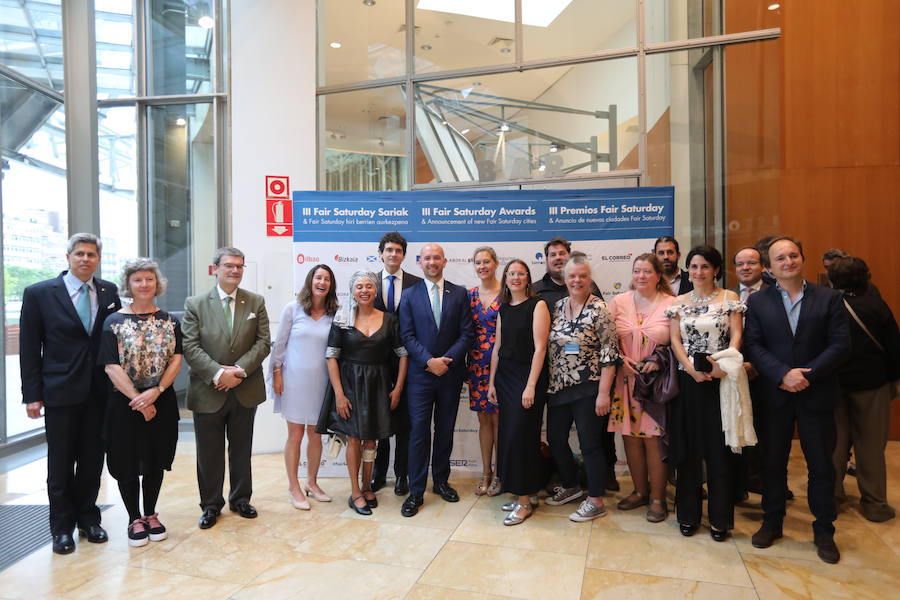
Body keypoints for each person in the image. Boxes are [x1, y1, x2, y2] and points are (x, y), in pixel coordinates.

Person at [744, 236, 849, 564]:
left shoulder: (829, 298)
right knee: (773, 462)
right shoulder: (758, 302)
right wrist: (782, 374)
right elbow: (754, 346)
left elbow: (841, 344)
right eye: (780, 258)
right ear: (770, 267)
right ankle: (772, 522)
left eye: (793, 255)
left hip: (815, 393)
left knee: (821, 465)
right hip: (775, 395)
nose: (787, 261)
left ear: (802, 259)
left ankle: (824, 530)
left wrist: (807, 374)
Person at [19, 233, 122, 554]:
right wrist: (32, 394)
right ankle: (61, 528)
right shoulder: (39, 293)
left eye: (91, 254)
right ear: (67, 257)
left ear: (98, 259)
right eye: (79, 253)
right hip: (59, 391)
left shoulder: (108, 292)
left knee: (93, 460)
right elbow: (28, 346)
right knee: (61, 462)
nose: (85, 259)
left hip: (99, 392)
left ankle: (88, 519)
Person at [182, 247, 271, 530]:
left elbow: (263, 342)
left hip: (245, 390)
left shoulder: (255, 302)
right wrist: (219, 373)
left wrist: (239, 371)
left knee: (241, 449)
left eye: (240, 266)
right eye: (229, 266)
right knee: (209, 452)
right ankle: (210, 505)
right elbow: (189, 346)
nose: (235, 271)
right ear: (215, 269)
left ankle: (241, 499)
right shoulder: (195, 304)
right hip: (209, 390)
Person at [99, 259, 182, 546]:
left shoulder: (170, 320)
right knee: (127, 460)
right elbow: (111, 366)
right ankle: (134, 518)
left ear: (156, 283)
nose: (144, 284)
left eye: (149, 279)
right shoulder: (113, 322)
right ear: (129, 285)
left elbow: (177, 359)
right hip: (125, 403)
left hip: (161, 400)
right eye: (138, 280)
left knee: (155, 458)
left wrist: (156, 391)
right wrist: (139, 399)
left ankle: (150, 514)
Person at [666, 245, 745, 542]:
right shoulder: (679, 301)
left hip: (721, 380)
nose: (699, 272)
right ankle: (687, 514)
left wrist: (723, 365)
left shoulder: (730, 298)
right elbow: (675, 340)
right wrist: (690, 368)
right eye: (694, 267)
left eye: (705, 266)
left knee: (718, 452)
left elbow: (737, 335)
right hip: (689, 383)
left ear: (715, 269)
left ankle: (720, 519)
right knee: (688, 451)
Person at [317, 271, 408, 515]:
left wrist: (398, 388)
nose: (364, 290)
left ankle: (368, 487)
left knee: (372, 439)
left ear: (376, 291)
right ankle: (355, 492)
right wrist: (339, 394)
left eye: (369, 286)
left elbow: (402, 354)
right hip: (349, 386)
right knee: (354, 439)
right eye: (359, 286)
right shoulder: (342, 318)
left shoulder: (390, 320)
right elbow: (331, 357)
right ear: (353, 291)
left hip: (379, 385)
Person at [533, 239, 617, 492]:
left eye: (581, 276)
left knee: (590, 444)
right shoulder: (557, 307)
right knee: (556, 441)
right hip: (559, 388)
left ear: (589, 278)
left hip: (589, 388)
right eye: (572, 276)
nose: (576, 280)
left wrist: (604, 393)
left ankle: (595, 498)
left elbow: (610, 352)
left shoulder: (600, 308)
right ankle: (570, 486)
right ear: (566, 278)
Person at [398, 243, 474, 517]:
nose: (432, 262)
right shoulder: (409, 295)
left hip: (450, 375)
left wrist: (446, 361)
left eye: (436, 258)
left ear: (445, 261)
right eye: (427, 258)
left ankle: (441, 481)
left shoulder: (460, 293)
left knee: (445, 430)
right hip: (420, 376)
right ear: (419, 262)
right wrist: (429, 361)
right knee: (419, 433)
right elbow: (406, 335)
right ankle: (415, 490)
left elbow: (467, 334)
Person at [827, 256, 899, 522]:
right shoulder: (876, 305)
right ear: (867, 276)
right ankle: (875, 504)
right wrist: (894, 380)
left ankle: (832, 498)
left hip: (833, 385)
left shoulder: (827, 305)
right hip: (871, 385)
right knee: (870, 447)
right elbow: (894, 346)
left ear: (831, 279)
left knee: (834, 445)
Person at [608, 253, 676, 523]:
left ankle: (658, 497)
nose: (641, 276)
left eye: (647, 271)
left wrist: (658, 363)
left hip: (655, 386)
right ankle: (639, 491)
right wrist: (619, 359)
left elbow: (679, 343)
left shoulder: (672, 303)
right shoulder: (619, 301)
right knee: (630, 439)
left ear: (658, 275)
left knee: (654, 441)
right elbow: (605, 337)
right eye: (637, 271)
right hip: (624, 382)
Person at [271, 264, 339, 510]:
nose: (322, 282)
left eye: (327, 279)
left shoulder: (335, 314)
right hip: (293, 382)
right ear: (311, 281)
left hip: (322, 383)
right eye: (318, 277)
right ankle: (294, 487)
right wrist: (276, 374)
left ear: (331, 285)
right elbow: (279, 345)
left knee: (316, 435)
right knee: (295, 434)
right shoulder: (293, 309)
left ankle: (312, 482)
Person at [487, 259, 550, 525]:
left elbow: (540, 348)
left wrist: (531, 385)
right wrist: (491, 383)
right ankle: (524, 493)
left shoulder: (538, 305)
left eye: (520, 274)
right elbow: (497, 347)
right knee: (510, 439)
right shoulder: (503, 308)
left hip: (527, 378)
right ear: (506, 277)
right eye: (511, 273)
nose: (515, 277)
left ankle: (524, 503)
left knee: (522, 437)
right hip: (505, 378)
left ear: (527, 278)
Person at [371, 232, 422, 496]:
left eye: (398, 250)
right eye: (388, 250)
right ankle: (379, 473)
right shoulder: (368, 283)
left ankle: (402, 474)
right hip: (375, 364)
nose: (393, 254)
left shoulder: (417, 283)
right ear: (381, 253)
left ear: (404, 255)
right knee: (379, 420)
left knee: (404, 423)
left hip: (408, 362)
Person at [729, 246, 770, 500]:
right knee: (736, 429)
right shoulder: (727, 296)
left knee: (766, 432)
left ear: (762, 266)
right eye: (740, 264)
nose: (745, 268)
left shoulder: (774, 294)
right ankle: (738, 485)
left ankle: (763, 481)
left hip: (764, 375)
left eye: (751, 263)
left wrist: (757, 365)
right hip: (733, 374)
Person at [467, 246, 502, 496]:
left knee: (500, 420)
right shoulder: (469, 295)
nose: (482, 266)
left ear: (496, 263)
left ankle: (501, 474)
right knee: (483, 420)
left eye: (486, 262)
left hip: (502, 366)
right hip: (477, 365)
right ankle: (486, 473)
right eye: (478, 262)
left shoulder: (508, 292)